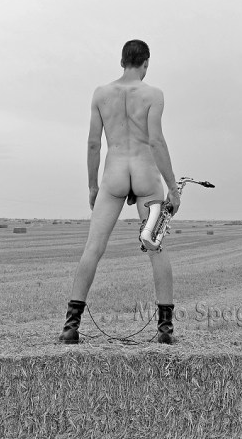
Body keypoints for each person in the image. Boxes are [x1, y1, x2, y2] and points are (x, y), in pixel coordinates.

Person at [58, 39, 181, 345]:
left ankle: (71, 327)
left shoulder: (101, 94)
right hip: (145, 174)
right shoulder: (154, 95)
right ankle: (165, 330)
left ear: (122, 61)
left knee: (93, 248)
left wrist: (92, 185)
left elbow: (93, 144)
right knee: (155, 248)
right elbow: (156, 142)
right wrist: (172, 187)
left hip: (113, 174)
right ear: (146, 63)